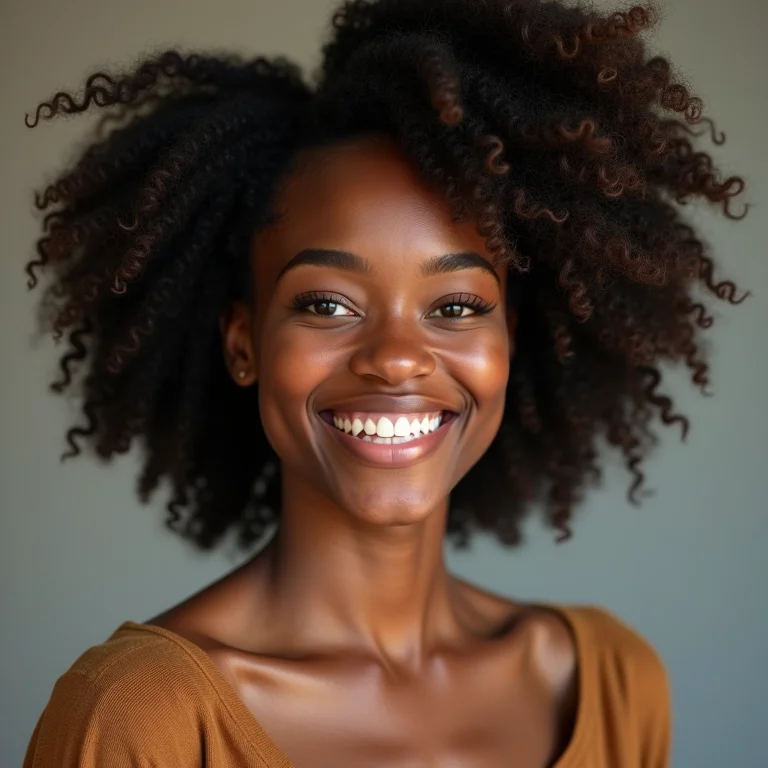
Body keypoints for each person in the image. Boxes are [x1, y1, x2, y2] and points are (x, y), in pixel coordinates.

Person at [21, 0, 748, 765]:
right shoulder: (144, 715)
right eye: (327, 303)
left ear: (510, 343)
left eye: (458, 306)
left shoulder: (613, 682)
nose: (398, 357)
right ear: (245, 345)